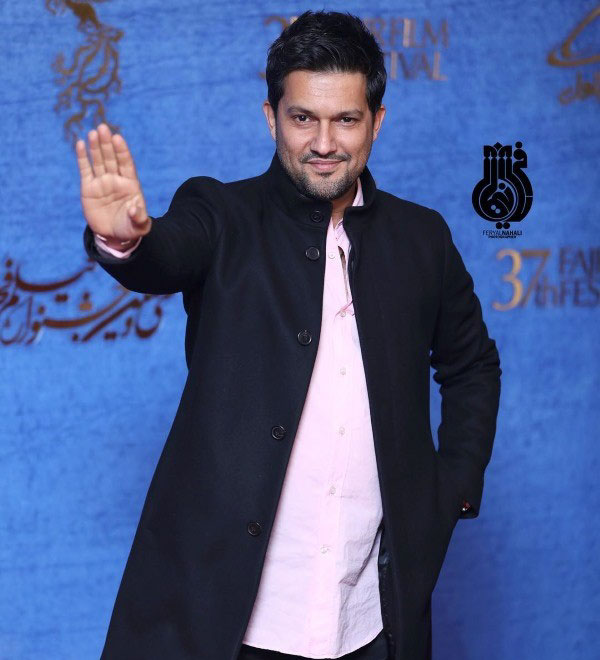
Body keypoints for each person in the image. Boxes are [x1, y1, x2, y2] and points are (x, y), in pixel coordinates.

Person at [75, 10, 501, 660]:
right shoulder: (221, 214)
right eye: (303, 117)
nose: (324, 142)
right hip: (231, 627)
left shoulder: (422, 239)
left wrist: (450, 487)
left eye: (346, 120)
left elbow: (472, 366)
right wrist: (128, 240)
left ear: (377, 122)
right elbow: (166, 253)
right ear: (271, 118)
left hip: (370, 624)